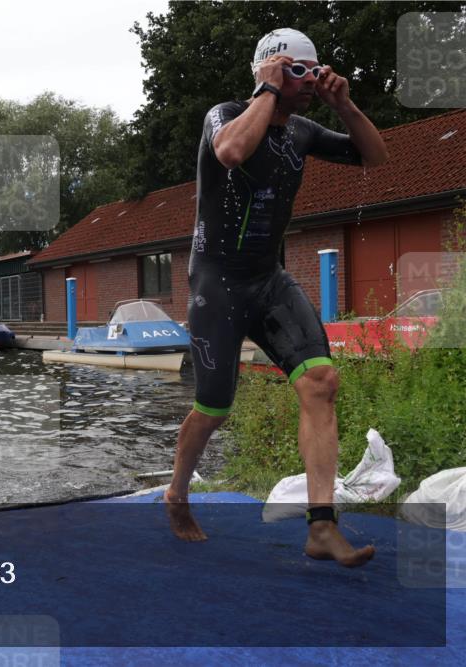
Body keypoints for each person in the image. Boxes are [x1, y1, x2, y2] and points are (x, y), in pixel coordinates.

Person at [166, 28, 387, 567]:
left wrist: (345, 103)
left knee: (321, 380)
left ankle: (321, 526)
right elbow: (232, 151)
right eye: (296, 71)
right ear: (268, 71)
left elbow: (376, 158)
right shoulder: (225, 113)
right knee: (215, 406)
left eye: (313, 71)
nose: (307, 82)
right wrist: (267, 91)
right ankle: (177, 491)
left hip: (268, 280)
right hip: (216, 283)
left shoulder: (306, 132)